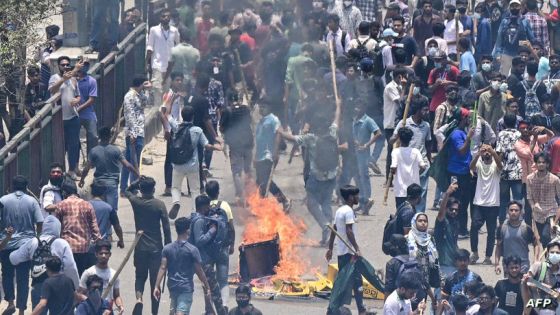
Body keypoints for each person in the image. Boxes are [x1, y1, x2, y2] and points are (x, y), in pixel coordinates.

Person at [124, 176, 172, 315]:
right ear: (154, 189)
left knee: (140, 277)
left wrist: (137, 181)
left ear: (141, 189)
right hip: (156, 249)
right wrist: (168, 248)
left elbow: (127, 190)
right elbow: (167, 229)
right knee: (155, 282)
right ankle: (154, 312)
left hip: (140, 248)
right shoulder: (159, 204)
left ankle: (139, 299)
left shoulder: (136, 202)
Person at [168, 106, 222, 219]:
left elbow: (167, 114)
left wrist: (171, 100)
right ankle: (194, 213)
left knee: (175, 187)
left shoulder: (176, 126)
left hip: (177, 165)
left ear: (182, 116)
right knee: (194, 190)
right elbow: (206, 146)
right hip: (192, 165)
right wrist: (216, 147)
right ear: (193, 117)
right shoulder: (197, 130)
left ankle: (176, 202)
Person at [0, 175, 44, 315]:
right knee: (23, 278)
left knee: (7, 274)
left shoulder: (3, 200)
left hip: (7, 244)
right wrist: (37, 237)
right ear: (26, 187)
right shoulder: (32, 201)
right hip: (26, 245)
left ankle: (11, 302)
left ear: (12, 186)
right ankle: (21, 311)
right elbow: (40, 222)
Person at [153, 217, 211, 315]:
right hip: (186, 288)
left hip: (172, 286)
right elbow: (199, 271)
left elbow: (163, 267)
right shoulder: (192, 250)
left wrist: (156, 286)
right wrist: (207, 286)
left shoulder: (167, 249)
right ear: (188, 230)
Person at [326, 185, 365, 315]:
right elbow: (348, 231)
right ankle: (333, 309)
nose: (358, 198)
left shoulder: (339, 210)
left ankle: (360, 309)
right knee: (348, 282)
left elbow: (333, 230)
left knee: (351, 281)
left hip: (342, 253)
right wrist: (357, 248)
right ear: (350, 197)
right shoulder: (348, 211)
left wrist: (330, 248)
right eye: (356, 196)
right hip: (349, 254)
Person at [80, 126, 139, 212]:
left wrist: (82, 180)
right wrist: (137, 175)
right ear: (109, 136)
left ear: (99, 137)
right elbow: (127, 165)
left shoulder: (94, 151)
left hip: (98, 186)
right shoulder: (116, 150)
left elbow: (86, 168)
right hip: (112, 185)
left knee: (99, 211)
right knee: (112, 212)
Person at [393, 101, 432, 212]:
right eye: (425, 109)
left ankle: (418, 218)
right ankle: (405, 215)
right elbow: (393, 139)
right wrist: (396, 136)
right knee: (406, 192)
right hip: (407, 164)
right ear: (418, 110)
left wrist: (429, 160)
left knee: (421, 193)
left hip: (422, 163)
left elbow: (428, 144)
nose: (427, 112)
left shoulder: (426, 125)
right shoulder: (404, 123)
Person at [56, 179, 101, 275]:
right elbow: (94, 228)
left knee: (69, 277)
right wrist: (99, 243)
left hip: (67, 248)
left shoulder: (60, 205)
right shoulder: (87, 205)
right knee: (82, 276)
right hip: (83, 248)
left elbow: (57, 228)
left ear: (64, 192)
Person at [48, 56, 83, 179]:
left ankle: (72, 170)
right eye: (63, 65)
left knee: (74, 145)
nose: (65, 67)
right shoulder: (55, 78)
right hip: (59, 118)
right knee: (60, 146)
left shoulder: (73, 79)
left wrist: (76, 100)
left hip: (73, 116)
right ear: (58, 66)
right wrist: (63, 79)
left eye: (67, 64)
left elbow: (78, 95)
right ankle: (59, 171)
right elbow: (52, 90)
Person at [254, 99, 291, 210]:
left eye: (263, 106)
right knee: (260, 181)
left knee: (265, 181)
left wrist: (275, 152)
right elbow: (258, 140)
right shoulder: (261, 122)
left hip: (268, 155)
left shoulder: (273, 120)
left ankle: (284, 200)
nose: (261, 109)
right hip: (259, 156)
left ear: (269, 108)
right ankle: (262, 204)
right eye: (260, 106)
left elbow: (278, 135)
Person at [469, 144, 502, 265]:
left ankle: (488, 256)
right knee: (473, 228)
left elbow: (500, 166)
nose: (486, 152)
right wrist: (478, 154)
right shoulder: (479, 163)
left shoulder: (495, 165)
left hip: (493, 204)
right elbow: (471, 167)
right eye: (485, 151)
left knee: (491, 231)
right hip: (479, 202)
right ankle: (475, 253)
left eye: (489, 150)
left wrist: (493, 153)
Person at [220, 92, 254, 205]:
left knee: (237, 172)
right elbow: (250, 122)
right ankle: (250, 196)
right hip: (248, 142)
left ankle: (240, 196)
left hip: (235, 145)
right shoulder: (246, 109)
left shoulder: (226, 111)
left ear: (229, 99)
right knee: (248, 170)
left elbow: (222, 128)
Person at [120, 76, 152, 195]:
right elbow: (129, 115)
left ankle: (126, 188)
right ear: (140, 84)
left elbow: (145, 103)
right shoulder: (129, 96)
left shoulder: (138, 95)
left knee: (132, 160)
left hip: (139, 131)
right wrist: (133, 133)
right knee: (132, 161)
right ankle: (128, 188)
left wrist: (147, 90)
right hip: (134, 133)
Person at [206, 180, 235, 306]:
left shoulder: (203, 205)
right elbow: (231, 228)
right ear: (218, 192)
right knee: (223, 281)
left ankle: (209, 308)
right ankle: (224, 307)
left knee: (208, 281)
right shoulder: (225, 206)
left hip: (208, 249)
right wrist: (232, 244)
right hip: (223, 247)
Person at [447, 108, 474, 238]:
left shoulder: (462, 132)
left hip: (464, 172)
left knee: (465, 201)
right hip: (456, 173)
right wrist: (468, 138)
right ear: (463, 119)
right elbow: (461, 151)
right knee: (457, 201)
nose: (469, 120)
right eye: (468, 117)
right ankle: (456, 228)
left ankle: (462, 228)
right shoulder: (457, 134)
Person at [79, 240, 124, 314]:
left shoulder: (114, 274)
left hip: (108, 311)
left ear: (110, 255)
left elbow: (116, 295)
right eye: (101, 253)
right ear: (96, 254)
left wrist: (120, 306)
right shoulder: (88, 273)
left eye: (106, 253)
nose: (103, 256)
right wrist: (93, 303)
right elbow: (79, 294)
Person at [146, 9, 180, 106]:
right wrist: (146, 63)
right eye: (163, 16)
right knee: (157, 90)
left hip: (169, 66)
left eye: (168, 16)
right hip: (157, 64)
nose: (166, 18)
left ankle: (163, 116)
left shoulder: (174, 31)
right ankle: (157, 114)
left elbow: (178, 46)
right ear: (159, 18)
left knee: (166, 93)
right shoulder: (154, 30)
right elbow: (150, 47)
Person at [160, 72, 186, 196]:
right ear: (172, 81)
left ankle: (174, 186)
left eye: (181, 80)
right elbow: (162, 113)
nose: (179, 82)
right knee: (170, 159)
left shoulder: (178, 95)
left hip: (178, 130)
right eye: (177, 80)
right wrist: (166, 129)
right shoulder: (169, 95)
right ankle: (168, 186)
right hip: (172, 131)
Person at [406, 213, 439, 310]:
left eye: (425, 221)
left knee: (420, 309)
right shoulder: (408, 239)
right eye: (420, 221)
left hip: (425, 280)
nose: (423, 223)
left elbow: (435, 260)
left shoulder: (430, 238)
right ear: (414, 222)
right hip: (410, 280)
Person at [493, 0, 535, 75]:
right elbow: (499, 39)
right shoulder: (505, 21)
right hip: (506, 53)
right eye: (512, 6)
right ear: (509, 8)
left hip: (521, 55)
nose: (514, 8)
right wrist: (498, 54)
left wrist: (527, 46)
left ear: (520, 7)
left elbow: (532, 38)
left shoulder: (525, 21)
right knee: (505, 77)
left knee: (520, 77)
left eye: (516, 6)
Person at [495, 201, 538, 273]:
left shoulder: (526, 228)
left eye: (516, 210)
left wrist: (535, 260)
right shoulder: (502, 228)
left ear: (521, 212)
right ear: (507, 211)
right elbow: (498, 246)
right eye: (511, 210)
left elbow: (536, 244)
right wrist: (497, 264)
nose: (513, 212)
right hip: (508, 266)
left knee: (522, 284)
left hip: (523, 266)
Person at [527, 152, 560, 247]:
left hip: (551, 212)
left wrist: (556, 219)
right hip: (537, 214)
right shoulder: (530, 178)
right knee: (541, 238)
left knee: (546, 236)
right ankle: (549, 258)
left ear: (547, 164)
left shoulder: (555, 179)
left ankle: (550, 258)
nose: (541, 164)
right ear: (536, 164)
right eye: (539, 162)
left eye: (543, 162)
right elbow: (529, 197)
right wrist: (533, 206)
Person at [390, 127, 426, 208]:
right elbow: (423, 167)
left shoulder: (396, 151)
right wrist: (416, 174)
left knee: (401, 210)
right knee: (413, 210)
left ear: (399, 138)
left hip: (400, 188)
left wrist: (394, 173)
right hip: (414, 188)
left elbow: (393, 167)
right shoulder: (416, 151)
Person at [522, 238, 560, 314]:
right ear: (547, 254)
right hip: (537, 305)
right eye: (552, 252)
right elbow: (527, 282)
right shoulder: (538, 266)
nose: (555, 254)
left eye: (557, 253)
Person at [383, 66, 408, 179]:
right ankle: (389, 178)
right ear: (400, 77)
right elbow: (400, 101)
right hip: (391, 123)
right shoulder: (390, 87)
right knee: (391, 151)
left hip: (400, 122)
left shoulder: (399, 87)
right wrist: (403, 88)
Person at [434, 182, 460, 277]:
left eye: (456, 210)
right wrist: (447, 194)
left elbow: (454, 242)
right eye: (451, 209)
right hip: (443, 263)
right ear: (447, 208)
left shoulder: (455, 223)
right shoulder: (442, 222)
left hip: (453, 263)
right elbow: (441, 212)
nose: (454, 211)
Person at [89, 180, 124, 247]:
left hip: (87, 243)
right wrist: (121, 240)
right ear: (104, 193)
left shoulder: (85, 205)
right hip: (102, 243)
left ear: (91, 192)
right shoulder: (109, 208)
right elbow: (117, 226)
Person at [76, 59, 98, 155]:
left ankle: (91, 159)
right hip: (73, 113)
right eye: (83, 64)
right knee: (74, 138)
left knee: (93, 136)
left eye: (87, 65)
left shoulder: (91, 81)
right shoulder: (73, 80)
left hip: (88, 112)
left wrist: (80, 108)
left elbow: (91, 99)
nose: (85, 67)